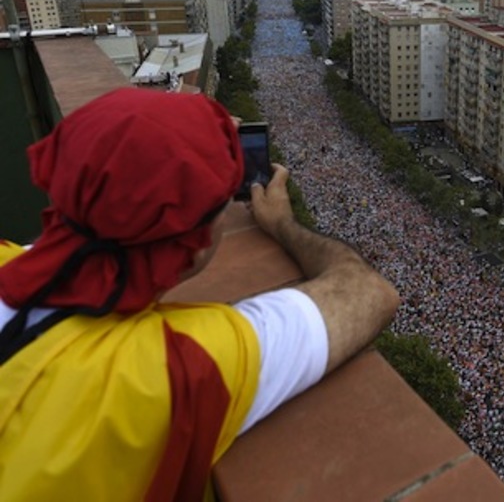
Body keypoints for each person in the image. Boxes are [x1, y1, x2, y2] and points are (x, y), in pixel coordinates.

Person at [0, 88, 399, 501]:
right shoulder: (171, 370)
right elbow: (368, 292)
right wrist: (282, 224)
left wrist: (183, 137)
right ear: (201, 237)